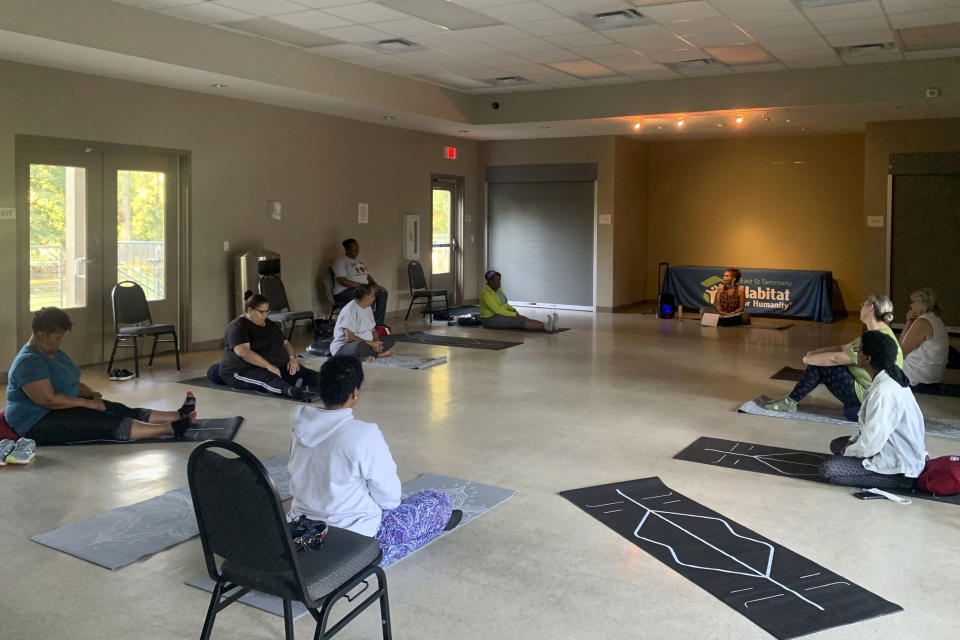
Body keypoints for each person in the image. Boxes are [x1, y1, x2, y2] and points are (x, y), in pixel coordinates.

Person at [287, 356, 462, 566]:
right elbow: (390, 499)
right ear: (355, 393)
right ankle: (430, 527)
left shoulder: (301, 424)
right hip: (351, 540)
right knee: (439, 502)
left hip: (301, 527)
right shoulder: (363, 434)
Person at [5, 307, 196, 445]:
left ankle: (176, 415)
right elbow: (48, 400)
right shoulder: (28, 363)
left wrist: (90, 394)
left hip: (63, 407)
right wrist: (87, 404)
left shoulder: (53, 352)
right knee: (101, 421)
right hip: (37, 421)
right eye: (57, 337)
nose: (60, 342)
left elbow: (72, 380)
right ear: (41, 335)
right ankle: (168, 429)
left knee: (115, 408)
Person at [818, 330, 926, 490]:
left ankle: (899, 481)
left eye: (858, 351)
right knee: (837, 445)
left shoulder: (883, 392)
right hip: (893, 447)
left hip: (902, 468)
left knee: (829, 469)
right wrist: (851, 442)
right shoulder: (890, 376)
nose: (857, 354)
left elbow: (870, 445)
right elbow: (871, 428)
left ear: (868, 359)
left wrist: (848, 450)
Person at [766, 295, 901, 421]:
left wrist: (807, 360)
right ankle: (790, 400)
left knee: (821, 365)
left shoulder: (876, 339)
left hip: (871, 397)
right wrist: (814, 353)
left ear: (870, 307)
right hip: (876, 395)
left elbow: (835, 359)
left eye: (863, 304)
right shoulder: (879, 333)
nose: (861, 308)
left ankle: (790, 401)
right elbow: (843, 347)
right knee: (820, 360)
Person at [219, 292, 318, 398]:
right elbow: (244, 353)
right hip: (242, 369)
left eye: (267, 312)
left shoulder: (269, 324)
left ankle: (332, 381)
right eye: (262, 312)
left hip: (275, 365)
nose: (265, 315)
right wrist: (269, 366)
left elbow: (286, 343)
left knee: (303, 373)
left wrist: (292, 358)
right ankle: (290, 391)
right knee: (267, 378)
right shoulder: (238, 327)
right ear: (250, 310)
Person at [330, 285, 396, 360]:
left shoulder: (368, 308)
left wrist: (376, 342)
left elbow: (373, 331)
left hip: (367, 344)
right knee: (360, 346)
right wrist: (371, 344)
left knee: (391, 339)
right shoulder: (350, 310)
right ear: (365, 297)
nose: (374, 298)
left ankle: (367, 354)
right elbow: (350, 338)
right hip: (345, 346)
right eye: (372, 296)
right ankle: (377, 355)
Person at [332, 238, 388, 326]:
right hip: (344, 292)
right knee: (368, 295)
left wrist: (374, 285)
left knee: (382, 293)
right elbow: (343, 281)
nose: (356, 251)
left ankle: (378, 323)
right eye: (353, 249)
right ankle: (368, 325)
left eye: (357, 249)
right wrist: (364, 286)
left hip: (363, 288)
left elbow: (368, 276)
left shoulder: (359, 261)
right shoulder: (341, 261)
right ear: (346, 250)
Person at [899, 288, 949, 386]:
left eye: (913, 302)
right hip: (932, 374)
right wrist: (908, 323)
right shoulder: (936, 319)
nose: (910, 305)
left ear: (921, 304)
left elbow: (901, 351)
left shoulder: (923, 322)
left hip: (917, 374)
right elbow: (902, 344)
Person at [479, 270, 558, 332]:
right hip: (490, 319)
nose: (499, 283)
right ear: (490, 282)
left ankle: (548, 324)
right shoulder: (486, 294)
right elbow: (497, 310)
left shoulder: (498, 289)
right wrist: (513, 314)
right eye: (497, 281)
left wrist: (513, 309)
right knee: (519, 321)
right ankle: (545, 327)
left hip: (499, 314)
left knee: (523, 317)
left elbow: (504, 304)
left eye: (500, 280)